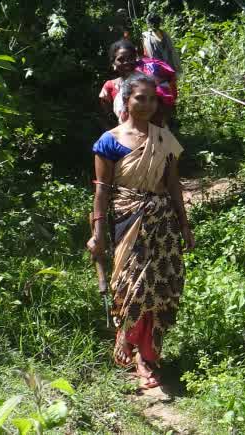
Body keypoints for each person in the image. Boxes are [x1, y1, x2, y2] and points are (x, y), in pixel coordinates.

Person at [88, 73, 194, 390]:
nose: (147, 104)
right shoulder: (109, 141)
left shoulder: (165, 140)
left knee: (160, 287)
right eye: (140, 98)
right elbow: (102, 192)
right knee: (131, 286)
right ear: (126, 100)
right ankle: (128, 343)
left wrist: (184, 225)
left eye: (152, 98)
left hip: (162, 224)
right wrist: (97, 233)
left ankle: (147, 356)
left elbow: (173, 185)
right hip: (127, 220)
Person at [99, 40, 139, 123]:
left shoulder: (147, 83)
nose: (126, 62)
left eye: (130, 58)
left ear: (136, 59)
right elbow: (107, 116)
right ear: (113, 63)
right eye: (121, 59)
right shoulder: (109, 87)